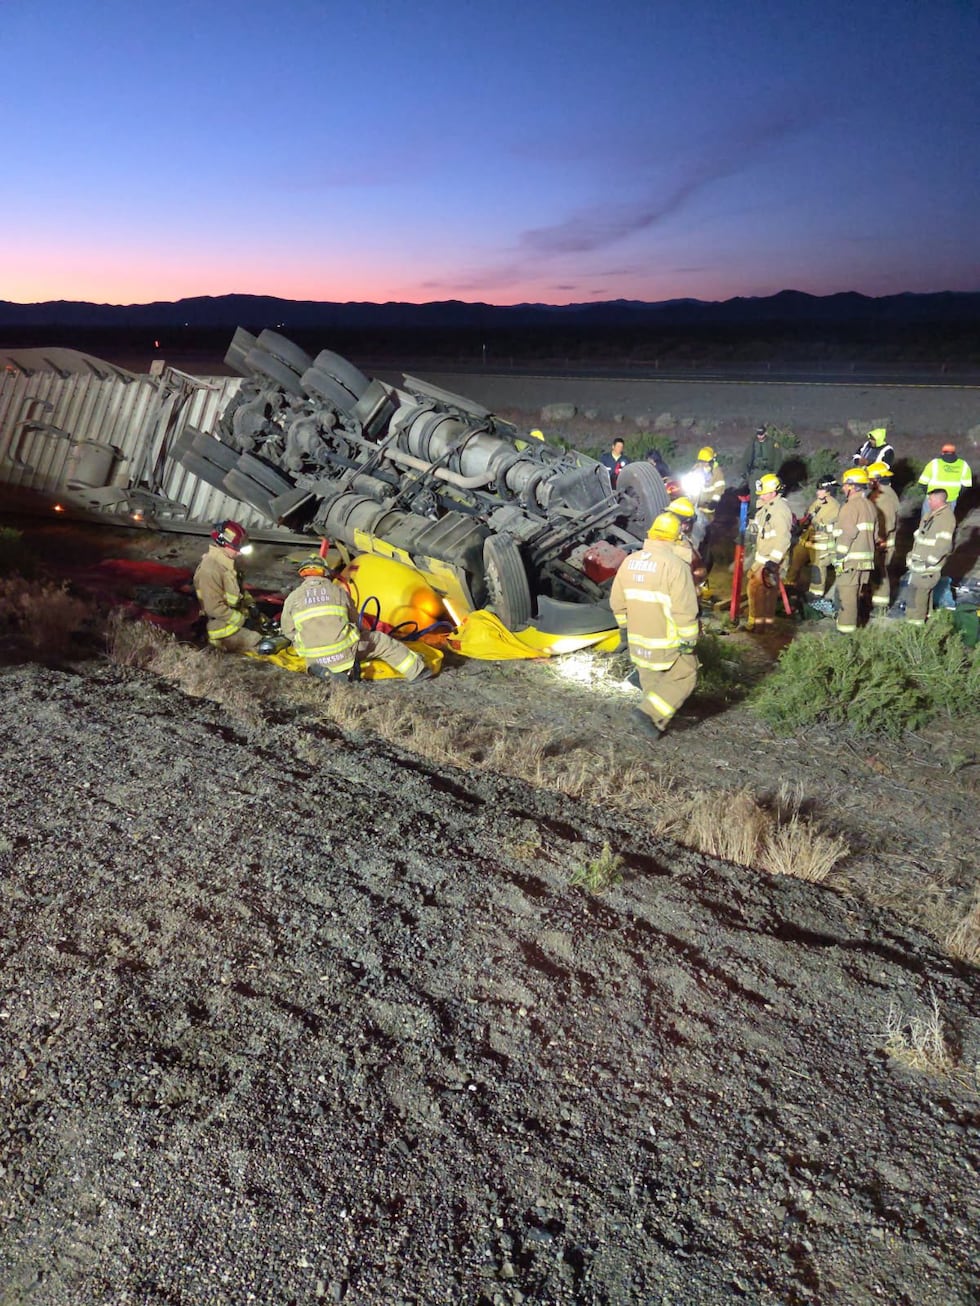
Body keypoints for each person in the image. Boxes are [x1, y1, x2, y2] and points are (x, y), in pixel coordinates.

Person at [609, 511, 699, 738]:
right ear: (675, 537)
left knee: (653, 681)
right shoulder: (675, 566)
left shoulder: (630, 562)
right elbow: (684, 609)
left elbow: (617, 602)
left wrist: (624, 631)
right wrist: (689, 641)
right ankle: (648, 714)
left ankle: (654, 722)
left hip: (638, 642)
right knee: (686, 672)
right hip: (665, 640)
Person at [280, 554, 430, 681]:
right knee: (382, 641)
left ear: (303, 574)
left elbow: (288, 631)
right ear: (325, 572)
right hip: (344, 653)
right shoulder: (338, 592)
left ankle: (320, 669)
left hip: (314, 658)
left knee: (313, 651)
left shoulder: (292, 598)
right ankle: (418, 672)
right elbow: (355, 621)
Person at [193, 520, 264, 654]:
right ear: (222, 544)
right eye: (236, 549)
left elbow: (239, 590)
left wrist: (252, 605)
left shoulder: (228, 563)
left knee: (268, 626)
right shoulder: (210, 570)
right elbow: (213, 608)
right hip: (222, 629)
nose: (239, 553)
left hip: (236, 617)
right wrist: (243, 622)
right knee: (263, 644)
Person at [832, 467, 877, 634]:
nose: (843, 488)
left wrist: (839, 556)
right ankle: (854, 626)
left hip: (850, 560)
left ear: (851, 486)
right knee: (855, 594)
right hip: (865, 561)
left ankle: (845, 634)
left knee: (847, 597)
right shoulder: (870, 506)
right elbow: (876, 534)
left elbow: (848, 534)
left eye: (845, 485)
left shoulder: (850, 507)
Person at [904, 487, 957, 625]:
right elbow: (921, 537)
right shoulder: (932, 515)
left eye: (931, 499)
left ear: (939, 500)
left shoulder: (945, 519)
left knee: (918, 596)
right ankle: (924, 620)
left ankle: (916, 625)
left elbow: (943, 545)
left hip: (927, 566)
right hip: (920, 562)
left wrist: (928, 563)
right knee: (920, 594)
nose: (928, 501)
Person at [787, 477, 839, 599]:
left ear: (829, 490)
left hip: (821, 543)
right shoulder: (817, 503)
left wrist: (813, 524)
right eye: (818, 489)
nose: (818, 492)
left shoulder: (834, 507)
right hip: (807, 539)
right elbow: (808, 517)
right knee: (795, 560)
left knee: (817, 569)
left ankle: (815, 596)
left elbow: (824, 524)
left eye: (821, 490)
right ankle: (789, 587)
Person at [868, 461, 900, 611]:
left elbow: (887, 523)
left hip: (882, 543)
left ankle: (881, 604)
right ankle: (875, 598)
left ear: (877, 479)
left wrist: (877, 539)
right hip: (880, 542)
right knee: (877, 571)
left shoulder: (885, 497)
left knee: (880, 572)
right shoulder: (884, 492)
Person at [917, 443, 973, 510]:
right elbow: (966, 486)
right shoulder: (963, 465)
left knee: (927, 519)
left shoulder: (934, 463)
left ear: (942, 453)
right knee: (946, 519)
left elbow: (922, 483)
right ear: (954, 453)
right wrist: (956, 495)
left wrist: (930, 494)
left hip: (933, 499)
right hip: (951, 499)